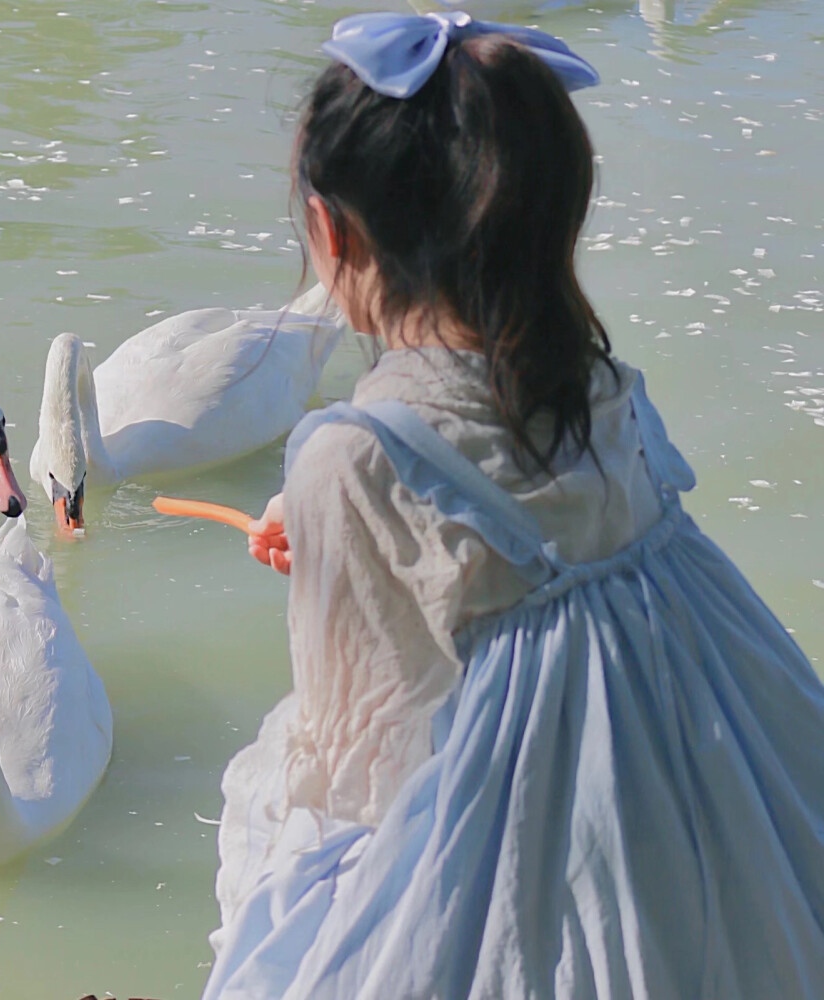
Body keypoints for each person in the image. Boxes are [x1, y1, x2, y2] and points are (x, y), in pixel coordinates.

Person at [203, 11, 824, 999]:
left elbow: (374, 758)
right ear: (551, 216)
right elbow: (538, 555)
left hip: (525, 873)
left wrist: (333, 533)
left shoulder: (349, 458)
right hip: (707, 819)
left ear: (331, 231)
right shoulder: (603, 389)